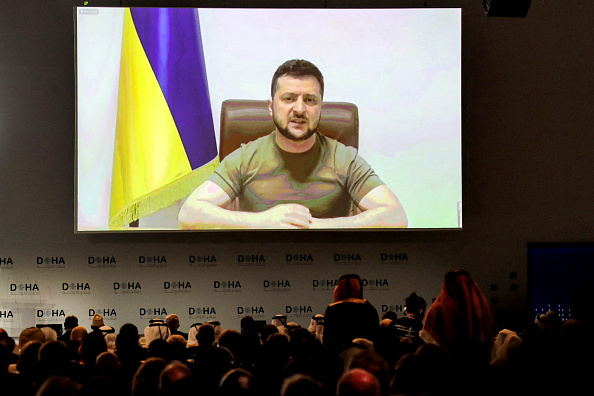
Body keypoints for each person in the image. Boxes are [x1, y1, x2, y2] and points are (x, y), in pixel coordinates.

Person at [178, 59, 408, 230]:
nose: (299, 109)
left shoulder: (343, 158)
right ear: (271, 106)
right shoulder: (245, 157)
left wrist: (315, 227)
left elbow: (396, 216)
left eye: (309, 100)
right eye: (289, 98)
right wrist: (263, 222)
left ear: (320, 108)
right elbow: (189, 214)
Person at [323, 274, 380, 354]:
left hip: (338, 358)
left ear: (339, 289)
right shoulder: (369, 308)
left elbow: (327, 340)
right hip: (364, 357)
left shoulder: (332, 309)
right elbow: (375, 338)